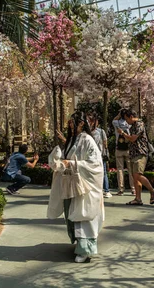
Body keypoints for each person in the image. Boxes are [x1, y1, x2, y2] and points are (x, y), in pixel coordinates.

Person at [47, 111, 104, 263]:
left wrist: (71, 163)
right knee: (72, 213)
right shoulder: (73, 140)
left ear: (81, 123)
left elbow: (95, 164)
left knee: (83, 216)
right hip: (72, 183)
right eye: (70, 122)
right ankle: (79, 245)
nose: (70, 125)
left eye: (73, 122)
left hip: (85, 186)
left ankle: (86, 250)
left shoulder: (87, 140)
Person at [119, 109, 154, 206]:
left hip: (140, 153)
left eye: (126, 119)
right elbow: (131, 139)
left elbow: (133, 138)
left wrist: (124, 134)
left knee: (137, 175)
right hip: (133, 153)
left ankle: (152, 190)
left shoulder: (139, 124)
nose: (126, 121)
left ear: (131, 117)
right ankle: (138, 198)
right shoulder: (132, 126)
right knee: (135, 177)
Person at [89, 114, 112, 199]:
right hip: (91, 156)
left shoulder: (101, 131)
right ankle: (97, 189)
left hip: (100, 155)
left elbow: (105, 143)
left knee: (103, 172)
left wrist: (104, 152)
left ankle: (106, 190)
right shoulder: (88, 132)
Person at [112, 109, 135, 196]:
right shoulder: (129, 124)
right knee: (130, 169)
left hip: (119, 148)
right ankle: (133, 189)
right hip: (128, 148)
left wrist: (119, 114)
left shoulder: (116, 123)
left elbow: (113, 120)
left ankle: (121, 189)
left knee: (120, 169)